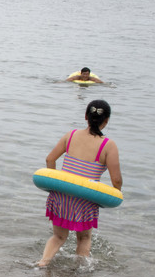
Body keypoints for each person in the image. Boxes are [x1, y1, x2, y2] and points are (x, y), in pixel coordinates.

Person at [38, 99, 121, 266]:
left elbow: (50, 159)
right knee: (84, 237)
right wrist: (113, 197)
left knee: (59, 237)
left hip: (61, 197)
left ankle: (42, 263)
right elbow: (116, 179)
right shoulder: (108, 145)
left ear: (85, 116)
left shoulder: (71, 135)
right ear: (106, 121)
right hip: (85, 201)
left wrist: (55, 188)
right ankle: (79, 273)